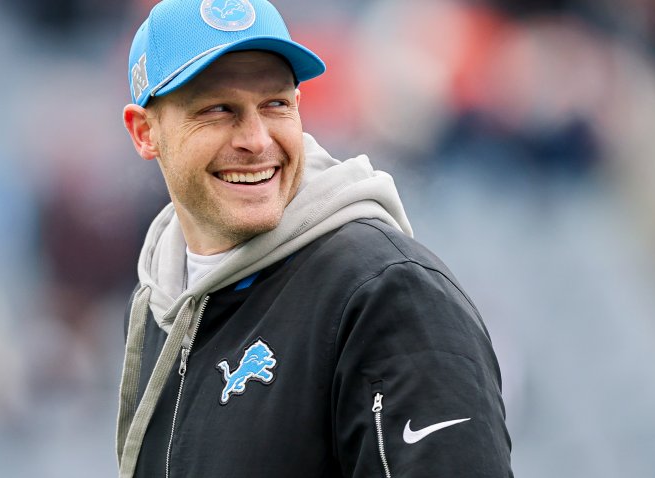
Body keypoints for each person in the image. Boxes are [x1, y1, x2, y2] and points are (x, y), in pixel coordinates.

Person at [116, 0, 513, 476]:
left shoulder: (386, 292)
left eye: (275, 104)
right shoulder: (157, 305)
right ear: (144, 133)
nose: (258, 140)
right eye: (219, 109)